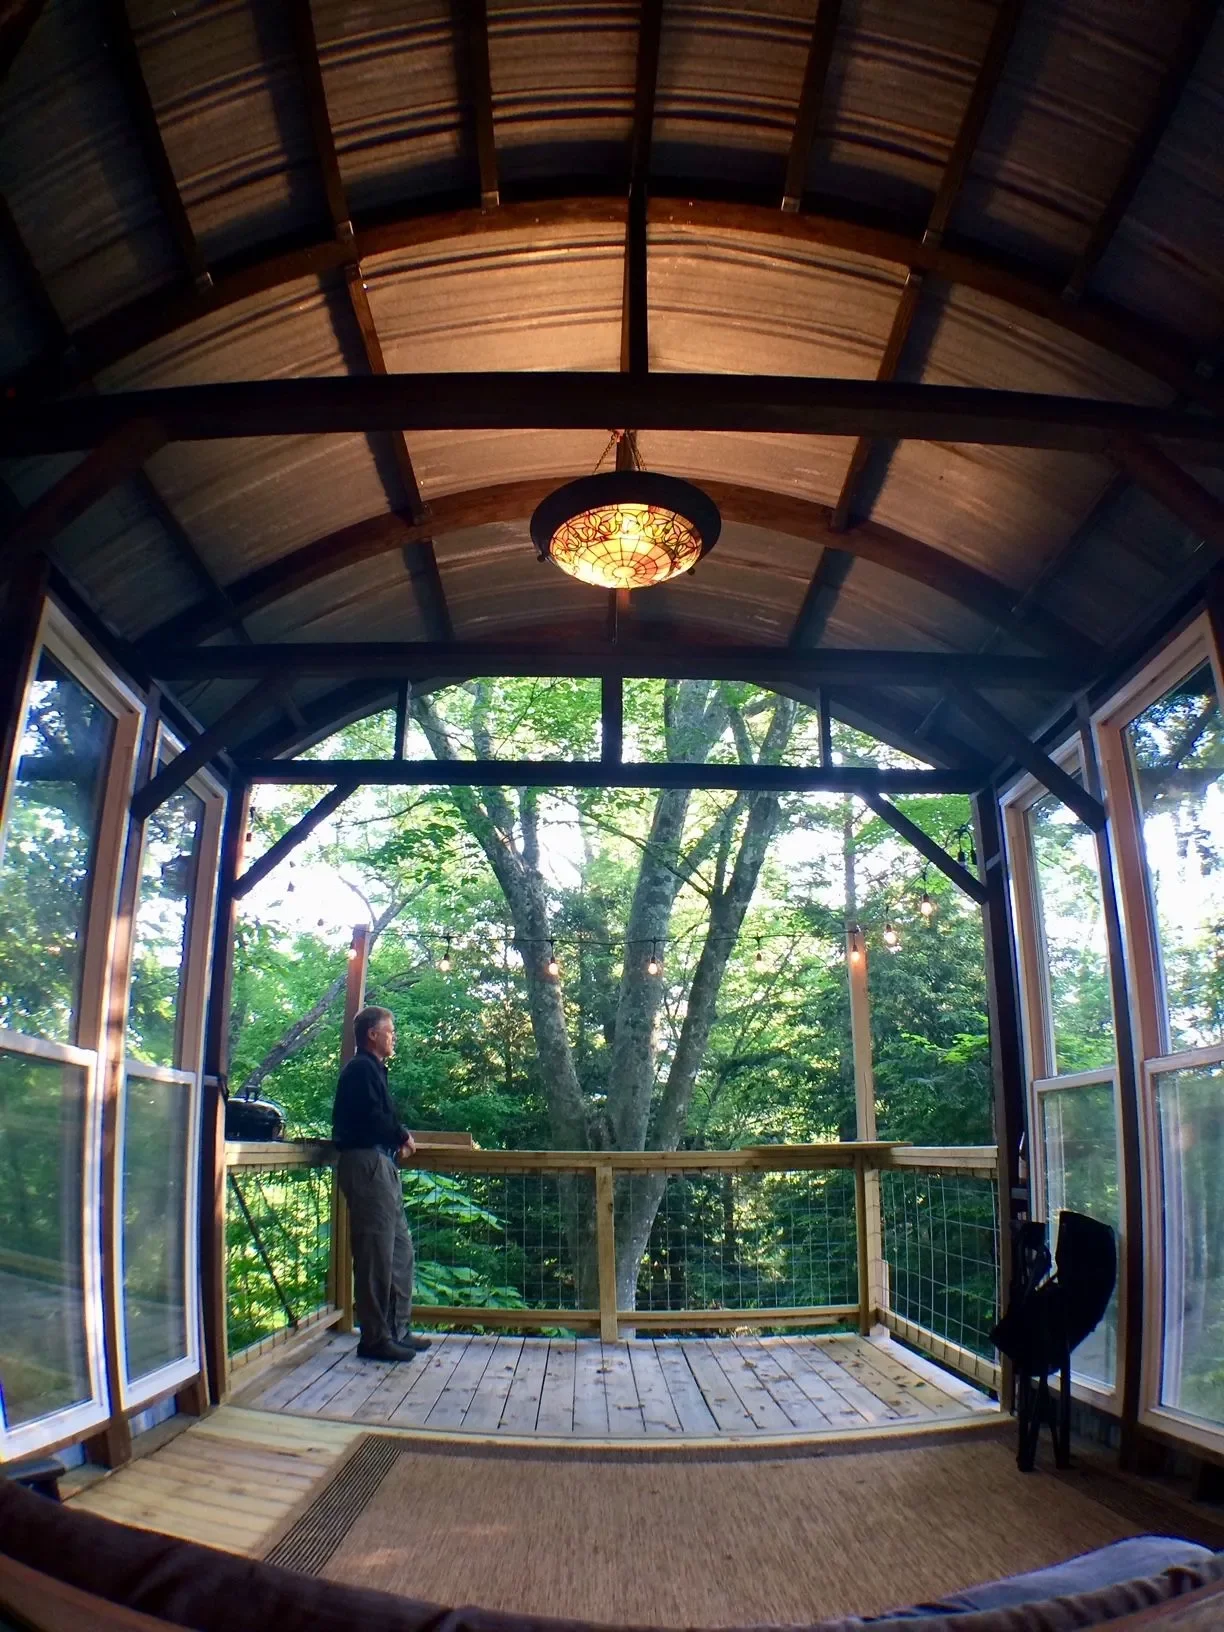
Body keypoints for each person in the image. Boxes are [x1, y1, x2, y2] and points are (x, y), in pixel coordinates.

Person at [331, 1006, 432, 1362]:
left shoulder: (373, 1070)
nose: (394, 1036)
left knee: (399, 1251)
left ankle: (397, 1330)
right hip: (367, 1164)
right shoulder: (360, 1070)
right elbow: (374, 1117)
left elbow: (382, 1115)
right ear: (372, 1034)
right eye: (390, 1030)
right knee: (375, 1254)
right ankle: (374, 1338)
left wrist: (397, 1136)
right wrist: (401, 1134)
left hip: (381, 1164)